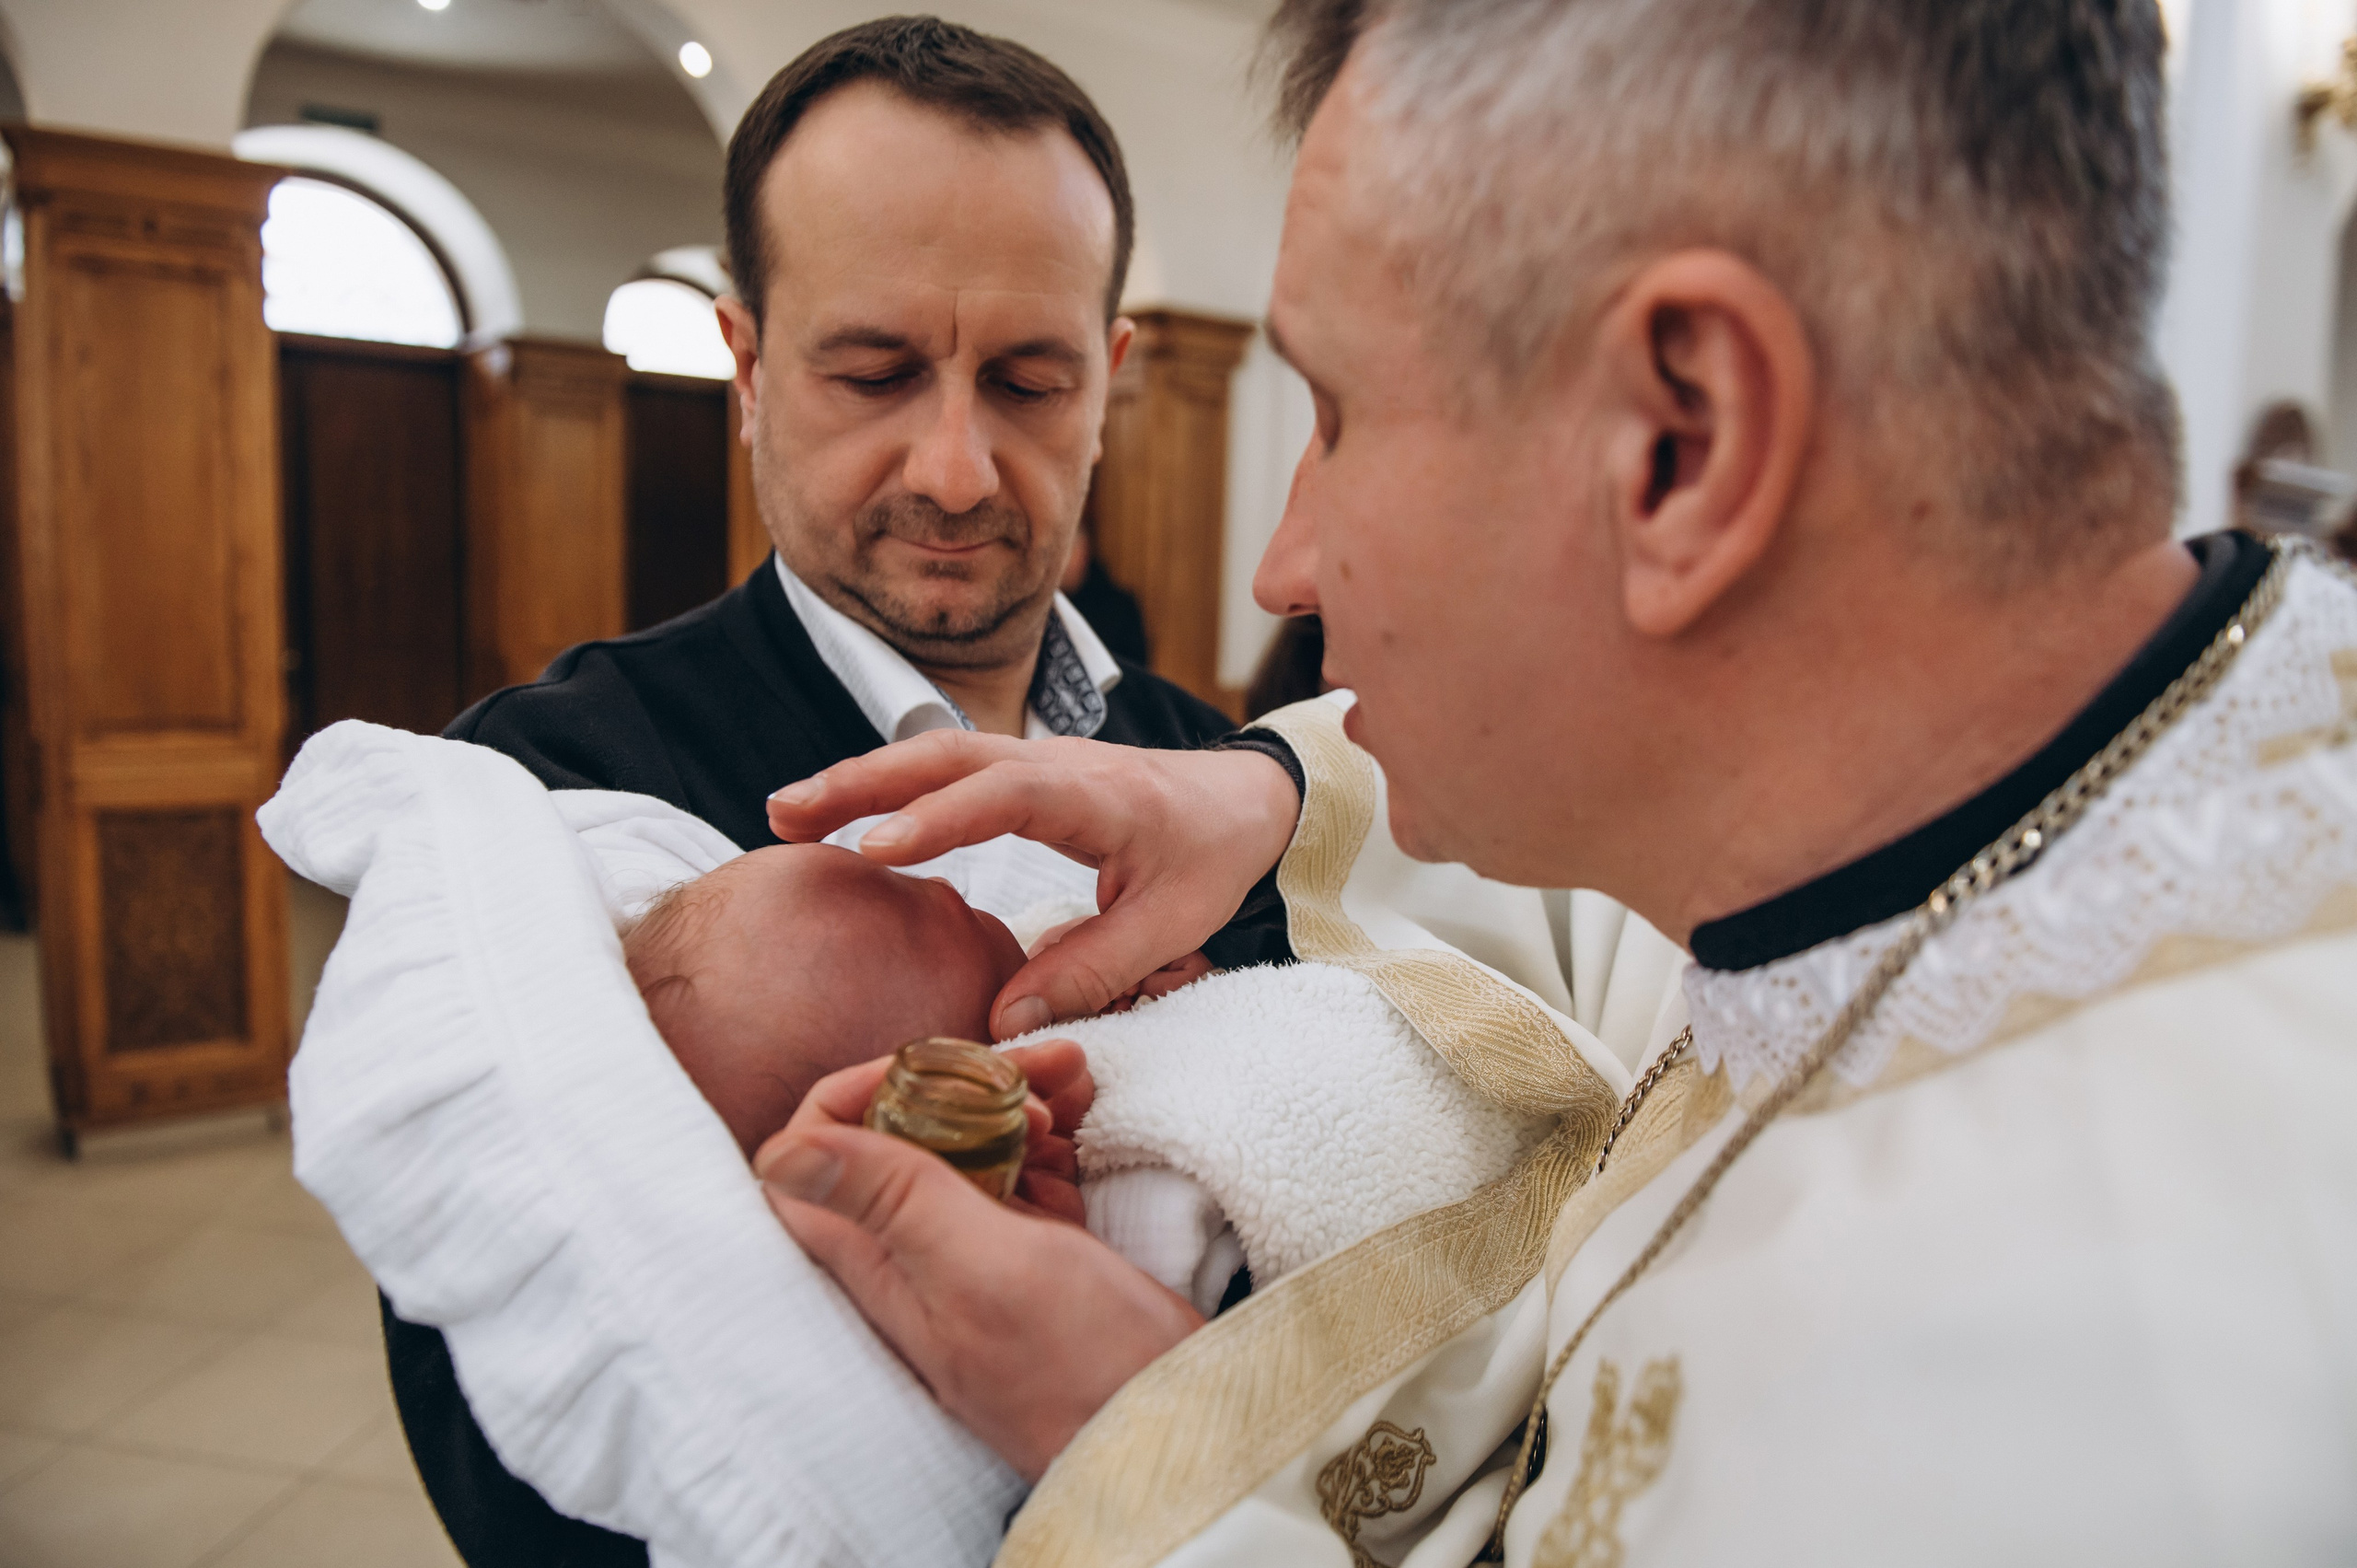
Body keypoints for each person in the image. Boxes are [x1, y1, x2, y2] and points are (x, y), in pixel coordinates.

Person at [761, 1, 2357, 1562]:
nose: (1278, 567)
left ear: (1685, 444)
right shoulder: (1958, 806)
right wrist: (1260, 800)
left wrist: (1146, 1446)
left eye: (1338, 414)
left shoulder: (2107, 1403)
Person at [389, 17, 1291, 1566]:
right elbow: (528, 1436)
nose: (954, 468)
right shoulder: (556, 788)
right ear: (745, 365)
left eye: (1027, 380)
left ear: (1114, 378)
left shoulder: (1225, 790)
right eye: (874, 372)